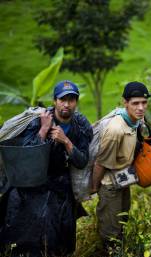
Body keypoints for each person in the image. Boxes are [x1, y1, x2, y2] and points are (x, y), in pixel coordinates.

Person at [0, 80, 93, 256]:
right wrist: (43, 130)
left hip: (59, 183)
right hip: (31, 181)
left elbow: (82, 161)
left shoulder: (80, 125)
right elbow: (25, 156)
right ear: (54, 101)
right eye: (62, 99)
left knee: (55, 234)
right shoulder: (38, 121)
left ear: (76, 102)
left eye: (71, 100)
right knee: (20, 226)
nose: (66, 104)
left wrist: (66, 141)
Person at [92, 81, 151, 250]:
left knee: (121, 225)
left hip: (123, 180)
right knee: (111, 234)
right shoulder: (115, 130)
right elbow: (100, 163)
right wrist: (95, 188)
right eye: (135, 103)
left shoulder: (135, 121)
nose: (140, 108)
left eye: (144, 103)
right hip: (110, 186)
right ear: (125, 103)